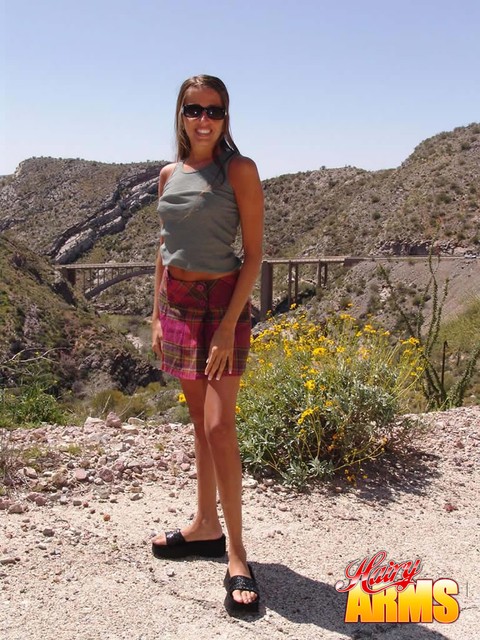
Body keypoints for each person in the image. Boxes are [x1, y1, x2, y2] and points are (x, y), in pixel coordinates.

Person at [151, 75, 264, 614]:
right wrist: (156, 313)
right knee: (198, 424)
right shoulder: (168, 175)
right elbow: (165, 247)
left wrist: (227, 325)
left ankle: (238, 556)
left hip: (223, 307)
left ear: (226, 117)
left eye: (214, 111)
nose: (204, 119)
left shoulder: (238, 171)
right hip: (176, 306)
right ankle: (203, 527)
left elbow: (256, 254)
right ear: (180, 114)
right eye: (194, 109)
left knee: (221, 426)